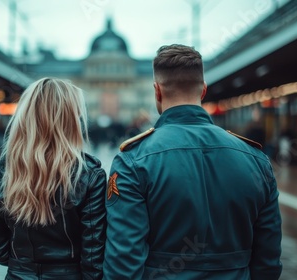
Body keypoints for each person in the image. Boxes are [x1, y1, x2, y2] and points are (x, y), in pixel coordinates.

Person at [103, 44, 282, 279]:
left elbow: (123, 266)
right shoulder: (256, 160)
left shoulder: (132, 161)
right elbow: (268, 262)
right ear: (203, 91)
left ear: (157, 91)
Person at [0, 78, 107, 280]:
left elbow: (0, 252)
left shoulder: (1, 171)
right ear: (70, 119)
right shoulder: (88, 175)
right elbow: (93, 257)